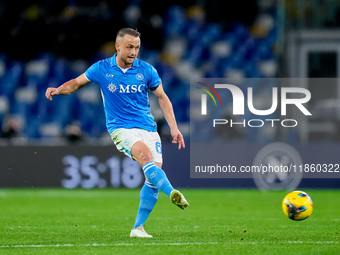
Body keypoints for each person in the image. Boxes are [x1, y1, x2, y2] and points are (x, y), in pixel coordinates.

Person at [45, 28, 189, 238]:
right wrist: (58, 89)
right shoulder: (101, 68)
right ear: (118, 46)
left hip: (148, 128)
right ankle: (173, 193)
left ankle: (138, 228)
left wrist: (174, 128)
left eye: (137, 48)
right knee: (145, 157)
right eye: (130, 47)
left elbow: (162, 97)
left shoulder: (147, 70)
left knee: (152, 179)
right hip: (121, 128)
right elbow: (76, 83)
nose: (133, 52)